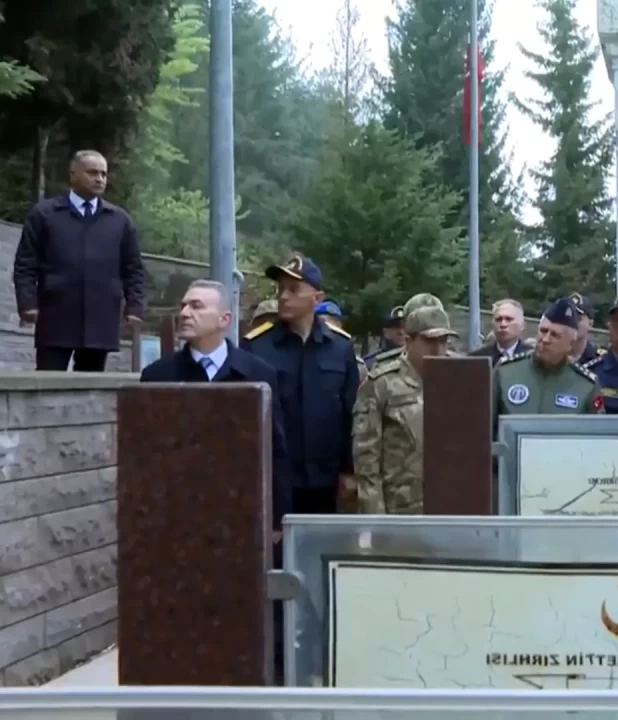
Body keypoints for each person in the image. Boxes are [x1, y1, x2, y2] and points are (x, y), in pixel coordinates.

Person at [139, 279, 292, 534]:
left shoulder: (257, 373)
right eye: (183, 305)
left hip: (241, 512)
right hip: (177, 514)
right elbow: (145, 454)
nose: (184, 313)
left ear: (224, 319)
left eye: (196, 306)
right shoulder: (158, 375)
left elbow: (275, 448)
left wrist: (277, 519)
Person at [242, 256, 361, 515]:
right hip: (273, 476)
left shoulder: (339, 347)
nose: (283, 297)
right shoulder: (257, 346)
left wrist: (349, 470)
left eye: (293, 289)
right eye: (280, 289)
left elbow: (351, 413)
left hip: (326, 480)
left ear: (317, 298)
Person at [13, 150, 146, 371]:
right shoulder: (45, 214)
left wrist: (135, 306)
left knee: (90, 384)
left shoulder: (119, 220)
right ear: (73, 175)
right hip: (56, 315)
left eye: (103, 174)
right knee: (49, 382)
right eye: (92, 173)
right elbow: (25, 263)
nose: (100, 179)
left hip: (101, 317)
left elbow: (133, 268)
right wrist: (27, 303)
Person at [354, 305, 457, 515]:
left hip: (450, 505)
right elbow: (366, 459)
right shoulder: (382, 383)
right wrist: (375, 517)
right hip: (400, 509)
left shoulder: (457, 379)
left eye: (443, 341)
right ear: (409, 341)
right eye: (429, 341)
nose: (438, 349)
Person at [493, 298, 602, 417]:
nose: (545, 339)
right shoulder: (505, 372)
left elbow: (597, 427)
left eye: (555, 335)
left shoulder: (586, 386)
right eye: (543, 331)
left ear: (570, 344)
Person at [470, 299, 530, 364]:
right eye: (498, 319)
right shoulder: (476, 359)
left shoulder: (532, 357)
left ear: (522, 325)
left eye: (509, 319)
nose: (503, 324)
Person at [568, 292, 608, 365]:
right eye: (568, 317)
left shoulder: (601, 360)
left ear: (590, 324)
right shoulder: (552, 354)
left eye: (578, 318)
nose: (572, 322)